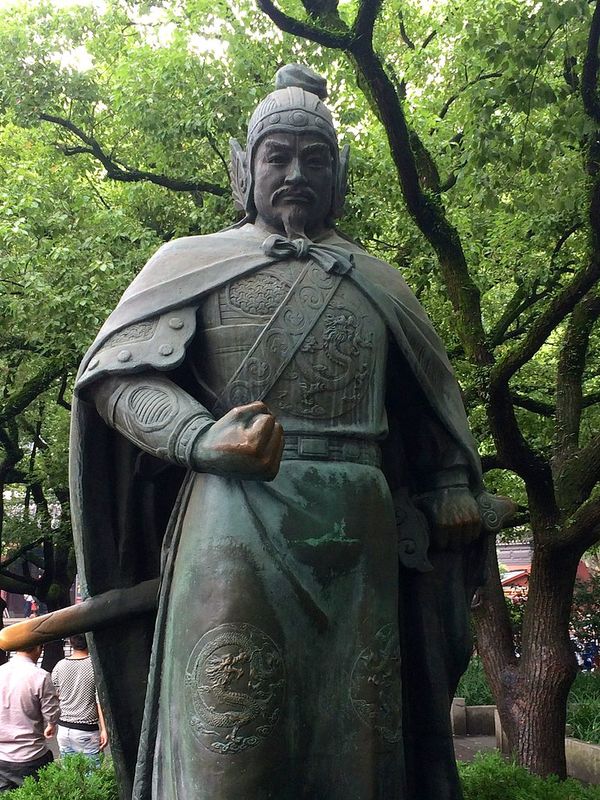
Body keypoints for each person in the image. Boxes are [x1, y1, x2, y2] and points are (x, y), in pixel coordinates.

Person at [71, 64, 511, 799]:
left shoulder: (380, 283)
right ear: (247, 168)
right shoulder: (187, 264)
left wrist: (447, 485)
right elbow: (117, 379)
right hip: (234, 525)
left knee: (359, 754)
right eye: (278, 154)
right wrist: (197, 439)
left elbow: (426, 409)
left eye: (314, 157)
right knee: (231, 743)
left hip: (358, 536)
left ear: (337, 174)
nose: (296, 171)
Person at [0, 644, 59, 791]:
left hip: (2, 757)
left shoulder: (1, 671)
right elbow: (51, 714)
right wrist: (51, 724)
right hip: (32, 756)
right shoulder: (41, 676)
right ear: (39, 648)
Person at [51, 634, 107, 762]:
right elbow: (99, 701)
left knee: (70, 775)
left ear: (71, 642)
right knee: (92, 777)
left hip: (64, 729)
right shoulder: (95, 666)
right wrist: (104, 729)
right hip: (86, 729)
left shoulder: (60, 665)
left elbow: (54, 693)